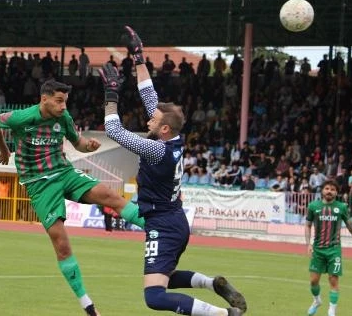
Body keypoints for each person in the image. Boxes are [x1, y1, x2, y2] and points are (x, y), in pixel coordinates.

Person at [99, 26, 246, 316]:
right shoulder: (172, 138)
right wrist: (138, 56)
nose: (148, 118)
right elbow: (148, 94)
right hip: (173, 220)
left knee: (154, 296)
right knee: (164, 276)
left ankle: (224, 314)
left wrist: (111, 94)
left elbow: (113, 129)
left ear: (164, 128)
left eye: (152, 119)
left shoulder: (156, 150)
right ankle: (211, 283)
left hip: (164, 224)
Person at [0, 79, 145, 316]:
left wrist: (88, 146)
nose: (63, 107)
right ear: (45, 99)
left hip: (64, 172)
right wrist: (2, 149)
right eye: (59, 101)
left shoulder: (64, 118)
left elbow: (78, 143)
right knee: (61, 243)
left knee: (108, 194)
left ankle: (157, 227)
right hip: (38, 184)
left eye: (65, 102)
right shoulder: (23, 118)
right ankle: (87, 305)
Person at [304, 180, 352, 316]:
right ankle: (317, 301)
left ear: (336, 193)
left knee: (333, 280)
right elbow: (307, 225)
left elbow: (350, 225)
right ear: (322, 191)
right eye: (326, 188)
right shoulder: (313, 206)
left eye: (332, 189)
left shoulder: (341, 207)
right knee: (313, 281)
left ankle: (332, 311)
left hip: (334, 250)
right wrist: (308, 243)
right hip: (318, 249)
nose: (329, 191)